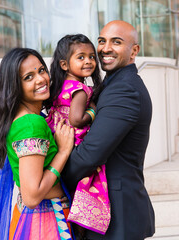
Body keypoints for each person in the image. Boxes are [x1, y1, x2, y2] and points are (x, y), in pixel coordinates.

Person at [62, 20, 155, 240]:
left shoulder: (124, 89)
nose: (105, 48)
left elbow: (90, 154)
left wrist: (50, 179)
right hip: (109, 216)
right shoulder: (113, 84)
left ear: (134, 51)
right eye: (102, 41)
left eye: (117, 42)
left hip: (117, 218)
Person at [0, 47, 75, 240]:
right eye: (28, 77)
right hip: (47, 223)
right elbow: (32, 196)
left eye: (41, 70)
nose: (40, 79)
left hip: (31, 221)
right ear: (14, 85)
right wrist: (63, 152)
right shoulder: (31, 124)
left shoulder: (23, 119)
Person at [44, 34, 110, 235]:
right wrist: (94, 110)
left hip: (57, 139)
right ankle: (86, 220)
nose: (88, 61)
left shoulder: (61, 85)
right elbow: (76, 120)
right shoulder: (80, 89)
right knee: (93, 177)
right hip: (74, 141)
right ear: (64, 64)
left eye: (91, 57)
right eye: (80, 57)